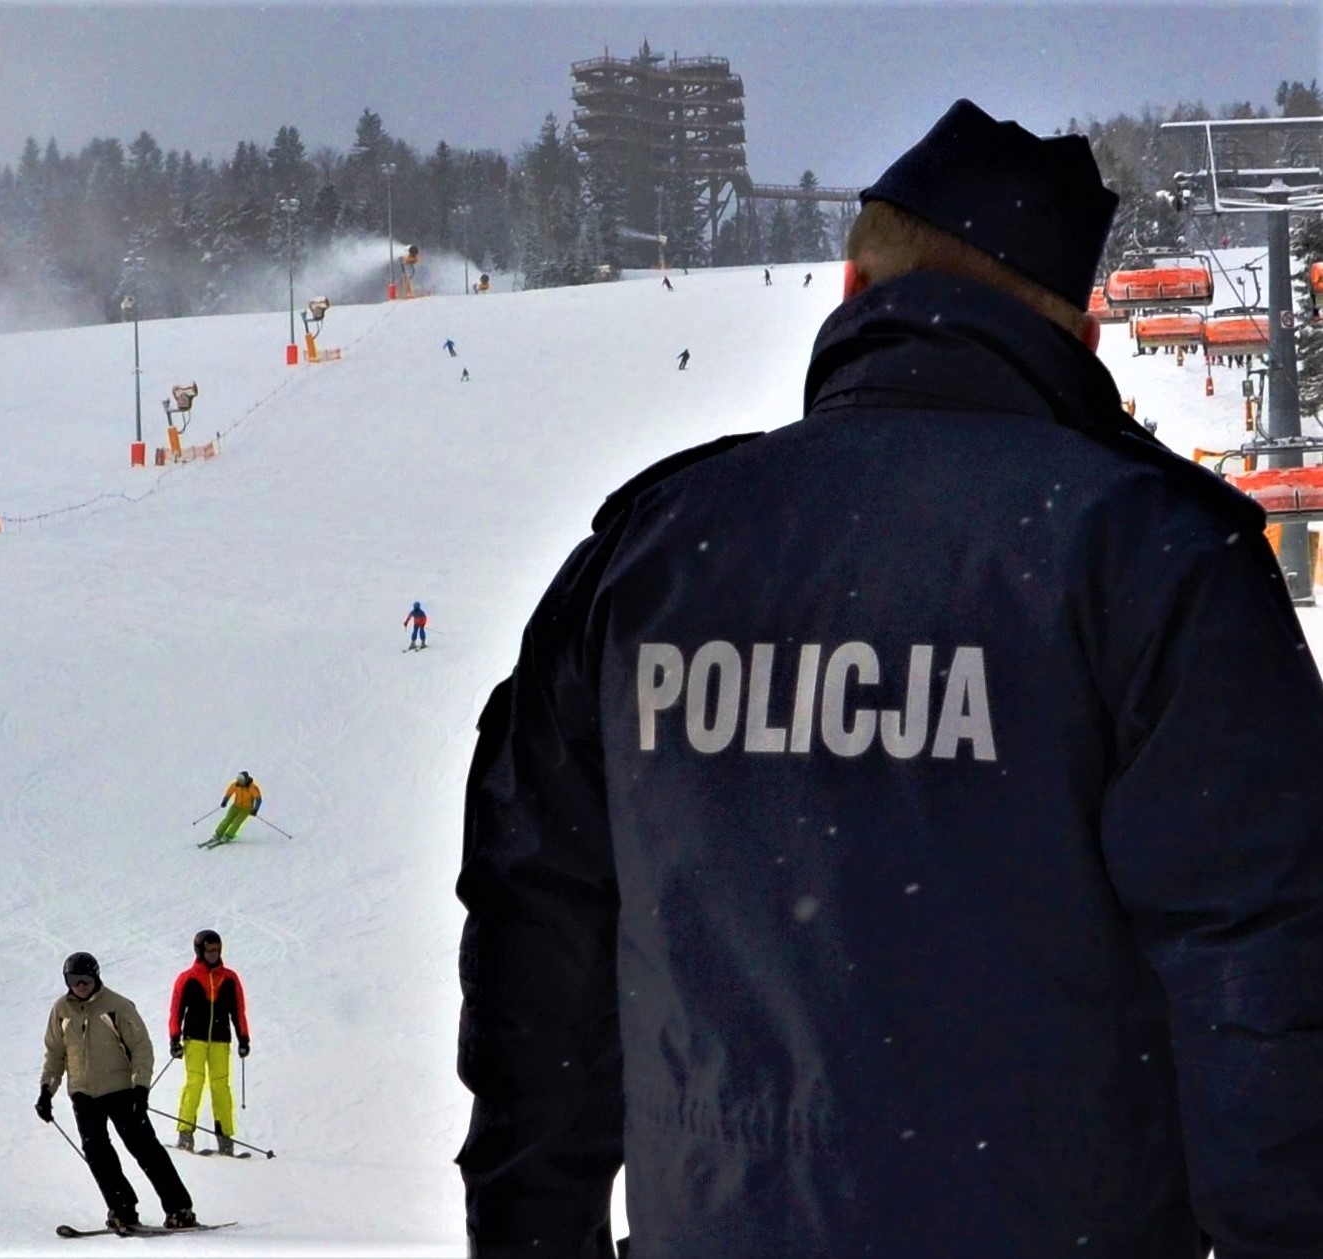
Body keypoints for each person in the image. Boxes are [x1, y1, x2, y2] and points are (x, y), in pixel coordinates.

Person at [454, 98, 1323, 1257]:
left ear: (853, 294)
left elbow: (534, 955)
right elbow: (1269, 997)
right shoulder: (1152, 559)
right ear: (1080, 341)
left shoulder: (651, 554)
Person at [37, 952, 196, 1232]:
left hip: (122, 1092)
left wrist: (141, 1088)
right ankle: (122, 1209)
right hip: (83, 1095)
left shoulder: (117, 1006)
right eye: (73, 980)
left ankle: (179, 1209)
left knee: (145, 1150)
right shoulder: (61, 1010)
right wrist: (46, 1092)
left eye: (85, 978)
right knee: (98, 1155)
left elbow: (141, 1049)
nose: (80, 985)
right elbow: (55, 1054)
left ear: (96, 976)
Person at [167, 929, 251, 1155]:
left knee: (220, 1087)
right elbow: (176, 1010)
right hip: (194, 1040)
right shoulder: (188, 978)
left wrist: (243, 1037)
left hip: (221, 1041)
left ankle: (225, 1141)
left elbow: (238, 1010)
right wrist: (174, 1038)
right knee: (195, 1083)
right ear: (200, 950)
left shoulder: (230, 978)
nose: (213, 954)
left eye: (217, 950)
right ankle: (185, 1136)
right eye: (209, 950)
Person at [209, 772, 261, 844]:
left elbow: (258, 799)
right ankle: (218, 834)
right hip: (236, 806)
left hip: (246, 808)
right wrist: (225, 801)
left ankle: (229, 835)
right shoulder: (235, 785)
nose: (239, 781)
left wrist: (255, 810)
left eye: (241, 780)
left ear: (246, 780)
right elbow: (229, 793)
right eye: (239, 779)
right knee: (227, 819)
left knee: (236, 822)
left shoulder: (252, 787)